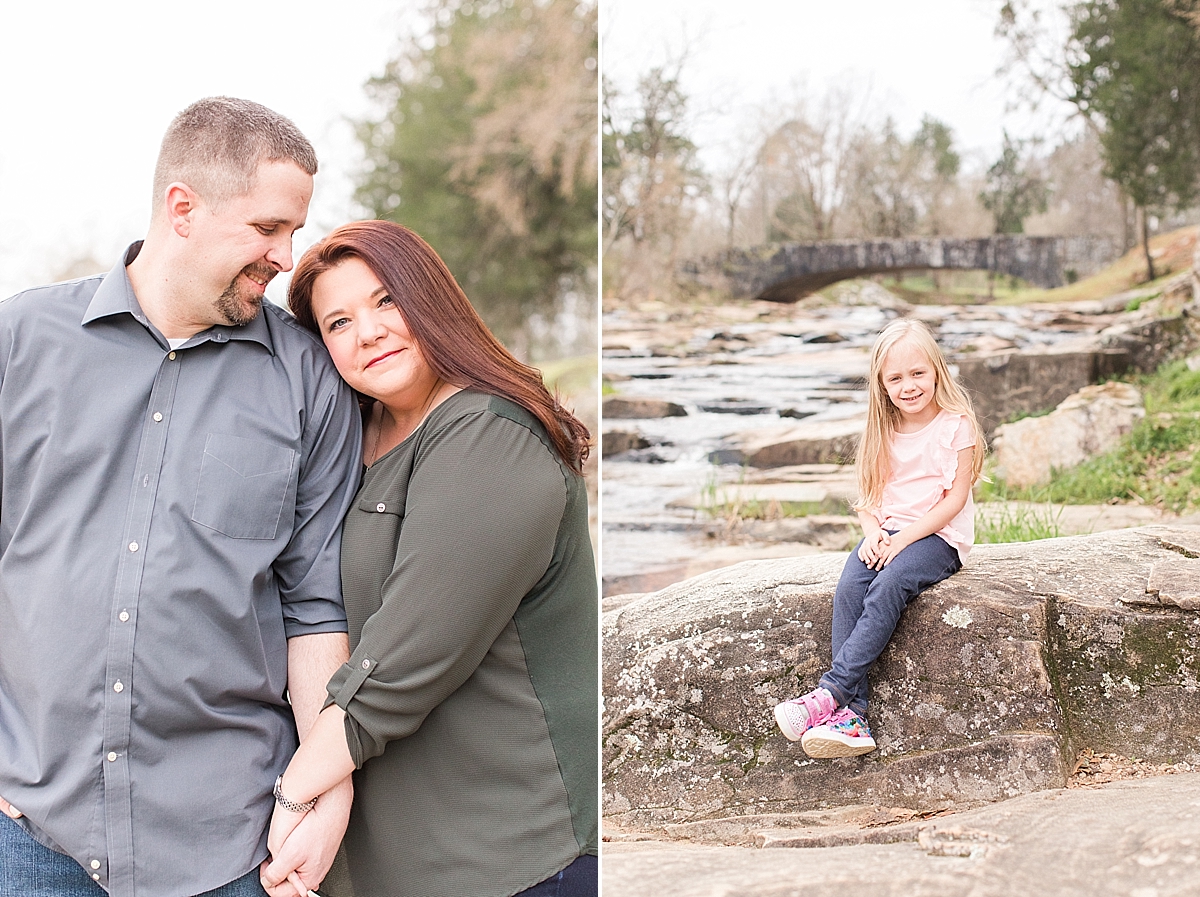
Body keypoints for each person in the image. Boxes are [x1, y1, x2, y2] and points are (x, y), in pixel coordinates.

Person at [0, 98, 362, 897]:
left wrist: (325, 785)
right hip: (26, 835)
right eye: (269, 228)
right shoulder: (19, 343)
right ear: (183, 208)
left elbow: (314, 607)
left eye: (295, 231)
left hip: (229, 846)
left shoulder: (309, 381)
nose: (287, 256)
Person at [259, 219, 598, 897]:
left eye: (388, 301)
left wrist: (295, 790)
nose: (369, 331)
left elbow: (409, 653)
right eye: (338, 322)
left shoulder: (488, 434)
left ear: (431, 299)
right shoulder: (358, 438)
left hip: (510, 855)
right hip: (398, 857)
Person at [773, 319, 985, 759]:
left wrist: (902, 539)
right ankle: (854, 719)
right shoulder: (882, 430)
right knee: (851, 586)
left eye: (917, 374)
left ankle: (830, 696)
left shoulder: (956, 425)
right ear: (881, 384)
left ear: (937, 372)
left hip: (936, 536)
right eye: (896, 378)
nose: (909, 386)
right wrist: (872, 534)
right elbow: (869, 495)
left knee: (889, 585)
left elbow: (954, 500)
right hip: (888, 533)